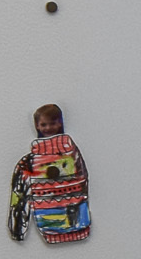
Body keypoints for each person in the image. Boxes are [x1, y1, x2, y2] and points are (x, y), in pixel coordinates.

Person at [8, 103, 90, 244]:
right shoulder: (30, 161)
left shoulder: (72, 152)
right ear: (37, 126)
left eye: (52, 123)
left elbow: (83, 179)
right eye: (44, 124)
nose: (48, 128)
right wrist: (17, 231)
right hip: (48, 223)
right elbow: (19, 196)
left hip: (77, 217)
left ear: (60, 123)